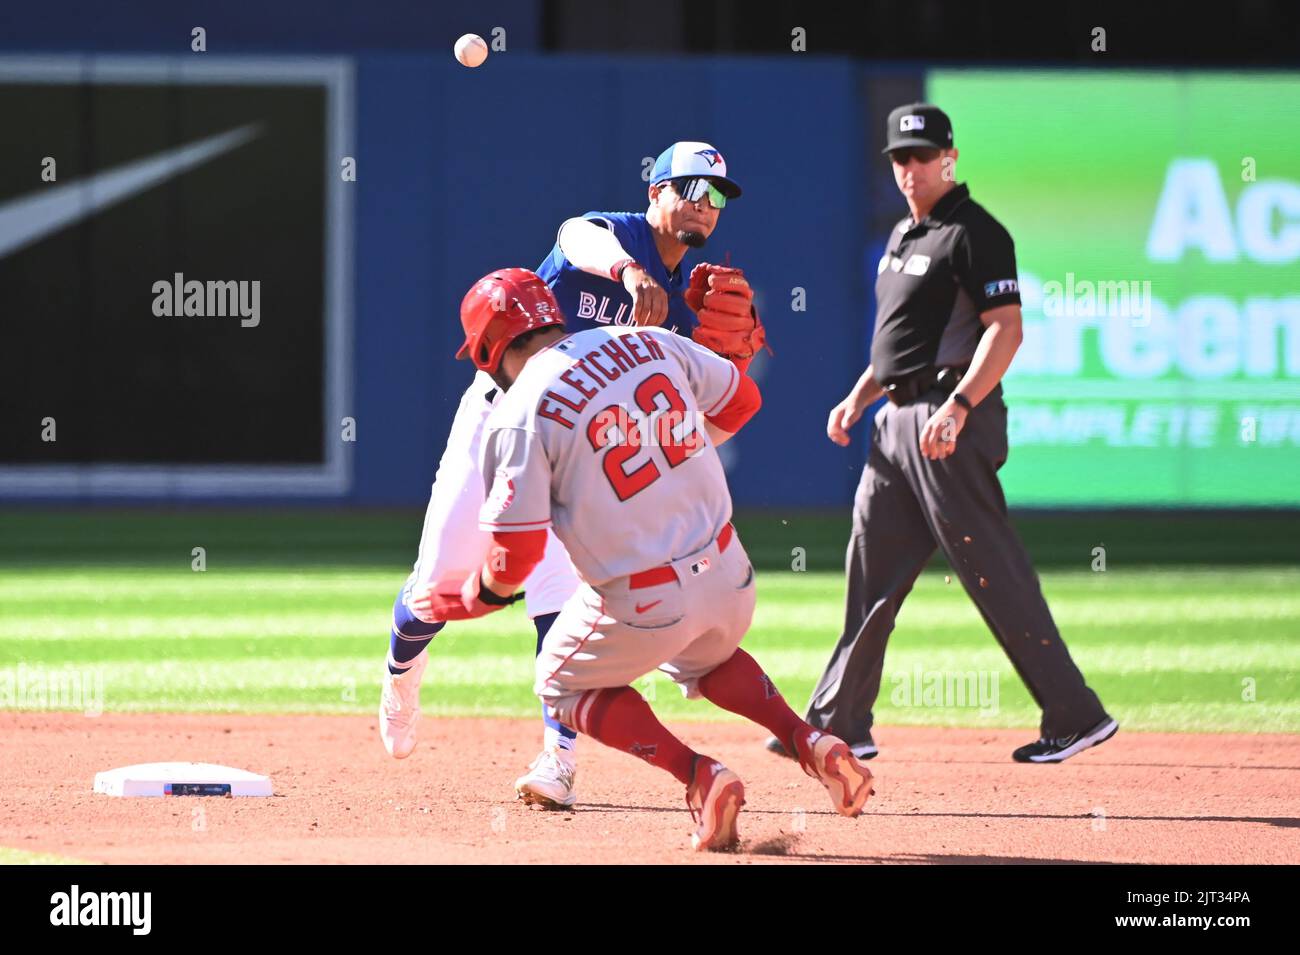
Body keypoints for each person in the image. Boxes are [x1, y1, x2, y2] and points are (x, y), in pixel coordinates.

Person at [413, 267, 871, 850]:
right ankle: (811, 743)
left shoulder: (518, 411)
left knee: (558, 684)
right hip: (731, 574)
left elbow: (518, 553)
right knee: (703, 659)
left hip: (646, 600)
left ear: (485, 352)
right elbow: (744, 399)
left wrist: (476, 598)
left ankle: (699, 777)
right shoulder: (641, 338)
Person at [380, 141, 766, 809]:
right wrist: (629, 272)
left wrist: (731, 361)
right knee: (437, 579)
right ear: (654, 193)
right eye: (690, 188)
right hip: (497, 421)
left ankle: (557, 759)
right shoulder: (614, 236)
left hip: (577, 449)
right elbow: (573, 232)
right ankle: (402, 670)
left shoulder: (683, 311)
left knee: (562, 597)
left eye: (717, 197)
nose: (704, 204)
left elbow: (700, 429)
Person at [767, 103, 1116, 765]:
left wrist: (957, 406)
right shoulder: (903, 235)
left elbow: (1005, 329)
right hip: (894, 422)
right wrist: (856, 397)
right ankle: (841, 722)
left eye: (922, 155)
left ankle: (1076, 713)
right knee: (868, 574)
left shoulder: (977, 233)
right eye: (899, 157)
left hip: (949, 418)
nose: (909, 168)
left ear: (950, 157)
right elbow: (900, 346)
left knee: (993, 571)